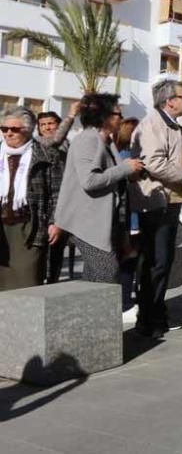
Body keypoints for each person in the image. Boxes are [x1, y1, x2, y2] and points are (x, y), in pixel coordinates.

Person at [130, 79, 182, 338]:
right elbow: (153, 162)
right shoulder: (153, 125)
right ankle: (149, 319)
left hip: (170, 200)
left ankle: (156, 314)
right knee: (156, 262)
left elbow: (173, 159)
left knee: (162, 261)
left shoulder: (171, 125)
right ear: (168, 101)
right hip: (157, 202)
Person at [54, 94, 143, 291]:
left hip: (105, 222)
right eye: (118, 113)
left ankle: (87, 319)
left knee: (95, 280)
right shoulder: (88, 139)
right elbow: (90, 181)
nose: (121, 118)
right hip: (88, 224)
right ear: (105, 116)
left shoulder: (106, 142)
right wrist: (125, 168)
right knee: (106, 273)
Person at [0, 107, 63, 290]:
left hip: (30, 227)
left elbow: (57, 193)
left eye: (14, 129)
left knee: (26, 283)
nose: (8, 133)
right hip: (1, 228)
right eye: (4, 129)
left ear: (27, 130)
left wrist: (55, 222)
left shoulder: (47, 155)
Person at [36, 106, 77, 283]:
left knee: (57, 252)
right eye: (42, 124)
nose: (46, 127)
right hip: (42, 206)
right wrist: (72, 115)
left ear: (58, 125)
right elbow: (54, 140)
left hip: (64, 203)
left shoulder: (68, 146)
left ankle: (53, 282)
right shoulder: (37, 144)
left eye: (51, 123)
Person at [116, 117, 141, 323]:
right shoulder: (127, 156)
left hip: (132, 215)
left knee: (130, 260)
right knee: (129, 260)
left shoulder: (124, 154)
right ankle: (124, 303)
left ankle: (126, 300)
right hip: (131, 217)